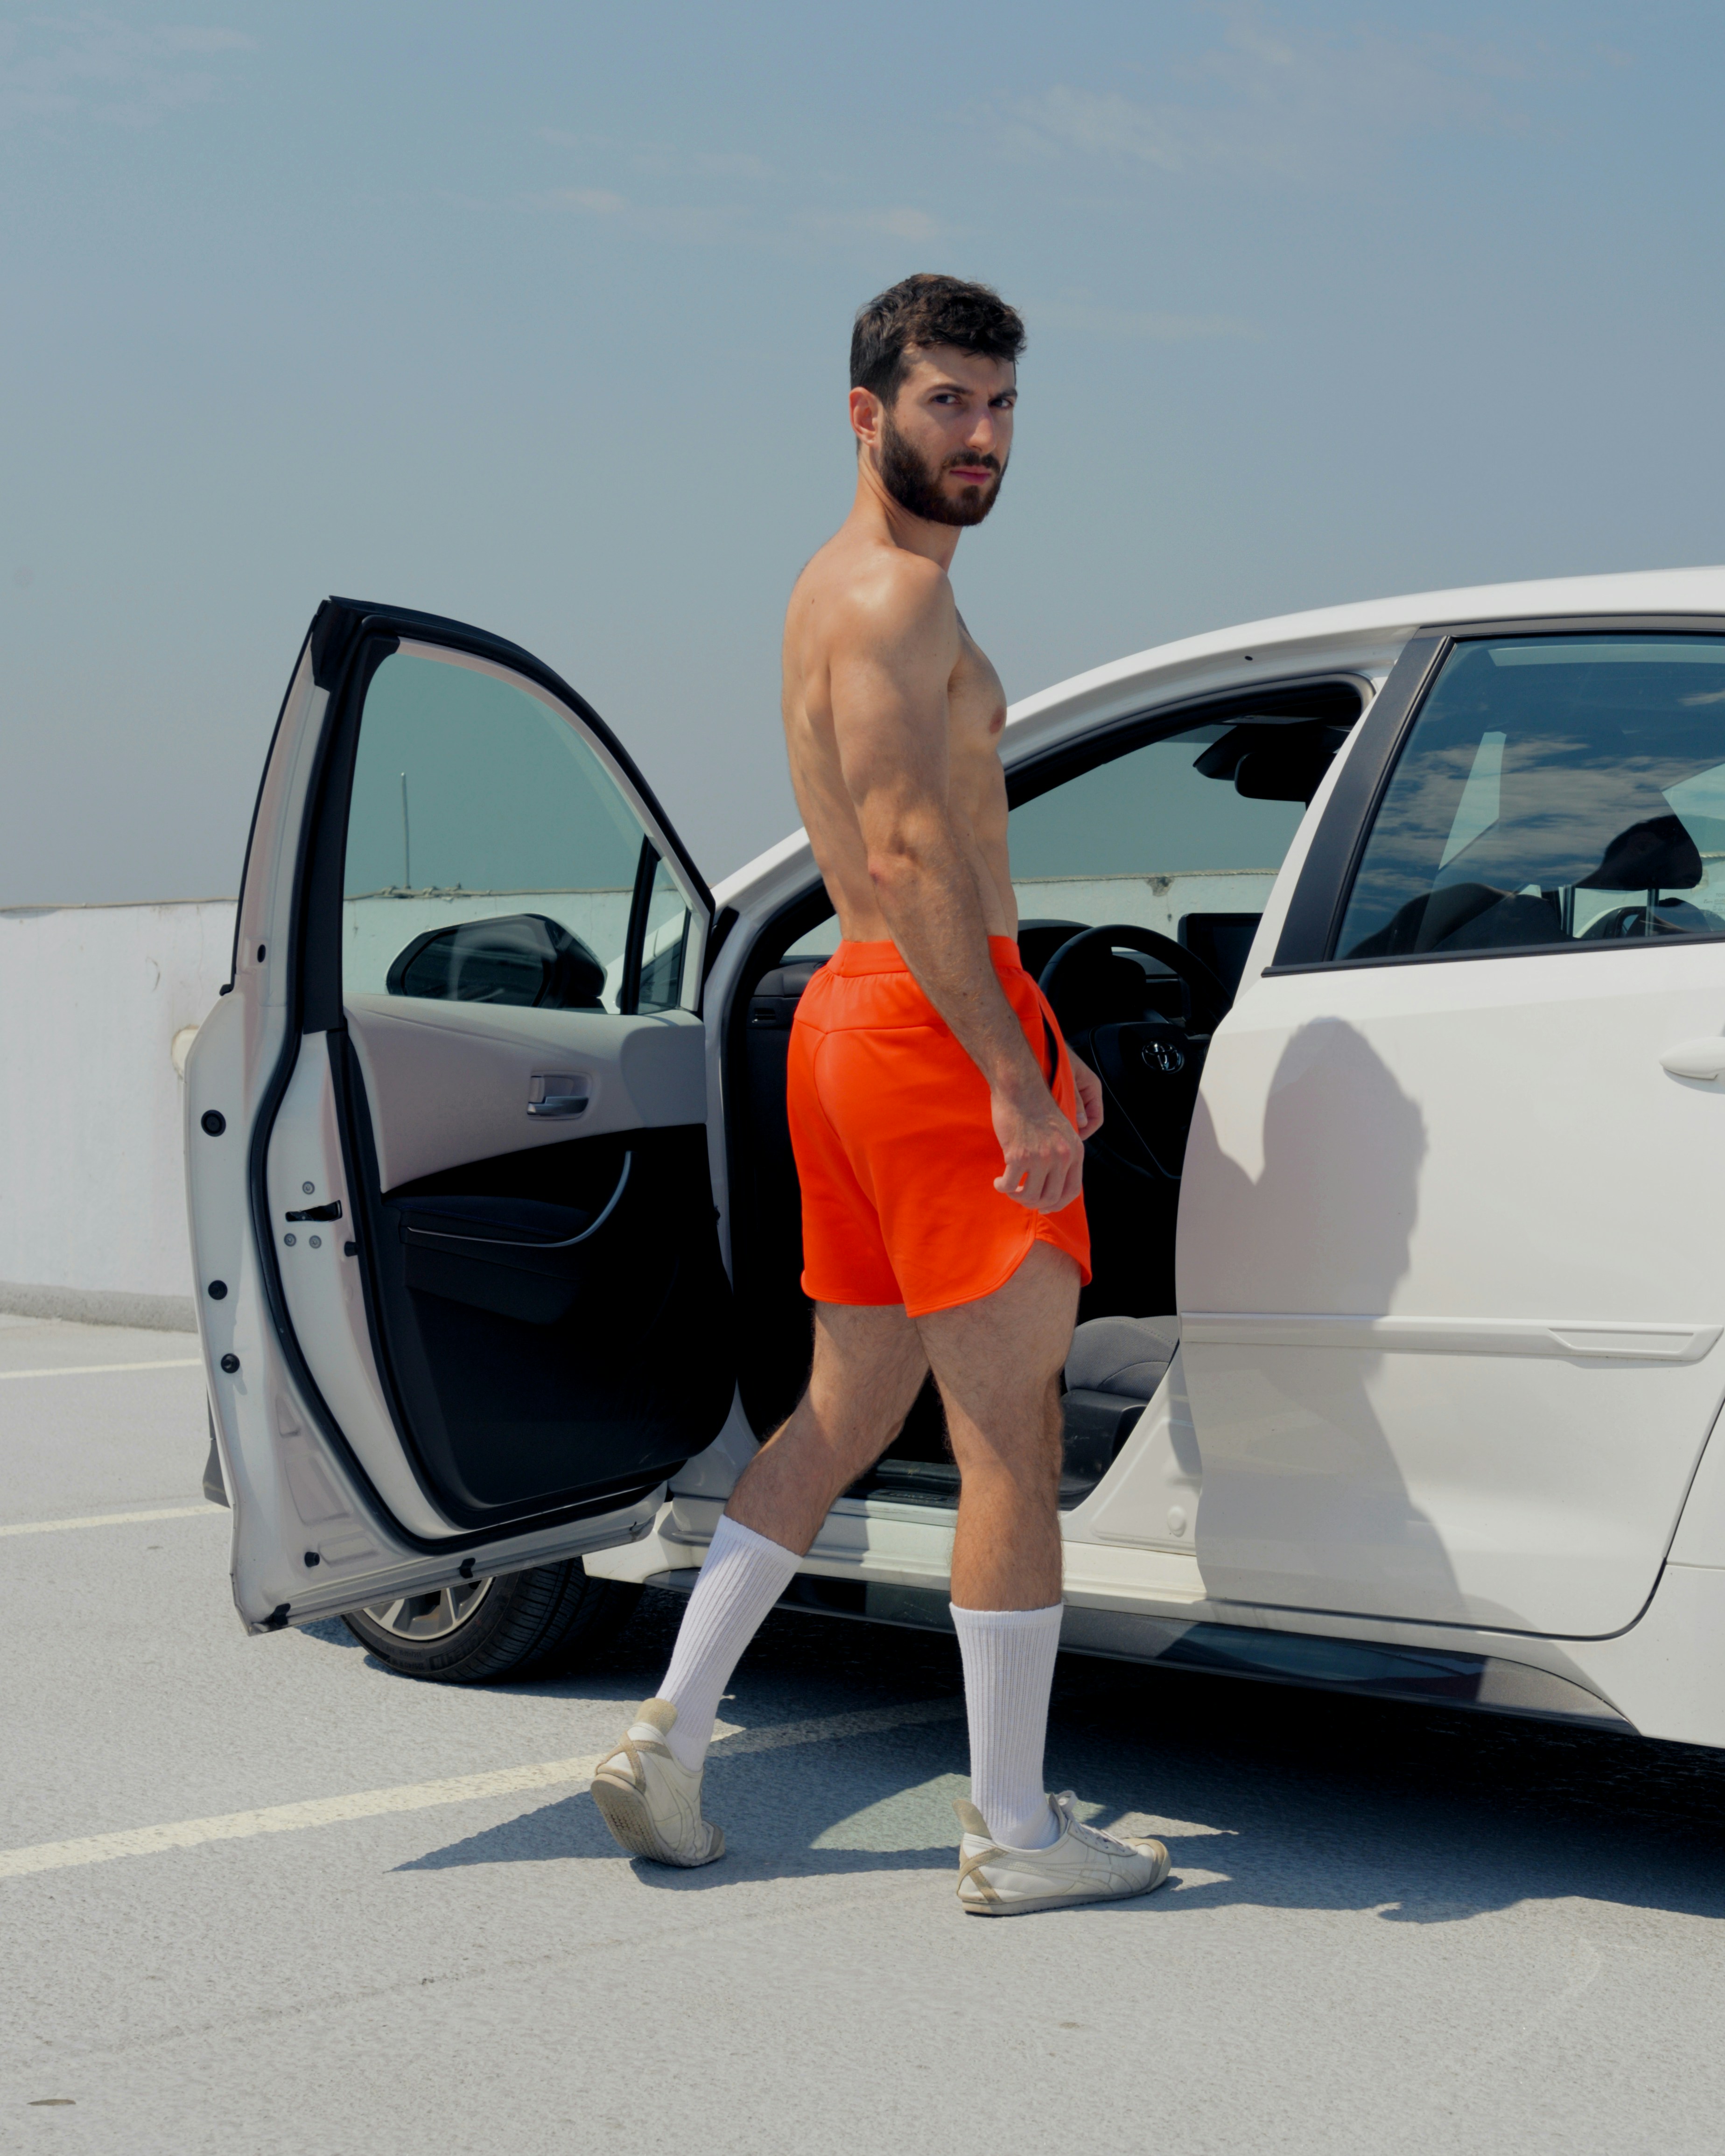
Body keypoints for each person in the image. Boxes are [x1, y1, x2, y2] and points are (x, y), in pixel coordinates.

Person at [592, 273, 1169, 1916]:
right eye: (946, 405)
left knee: (843, 1411)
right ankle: (1017, 1829)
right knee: (1011, 1435)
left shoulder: (827, 592)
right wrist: (1019, 1081)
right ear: (867, 414)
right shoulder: (903, 603)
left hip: (843, 1021)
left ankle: (672, 1735)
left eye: (999, 408)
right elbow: (917, 852)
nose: (981, 438)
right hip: (931, 1029)